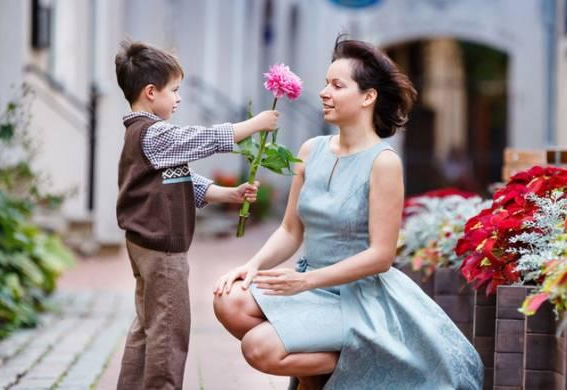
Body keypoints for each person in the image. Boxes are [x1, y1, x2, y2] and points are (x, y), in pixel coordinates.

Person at [212, 35, 484, 390]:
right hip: (310, 285)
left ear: (368, 97)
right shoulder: (311, 150)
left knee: (259, 347)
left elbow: (381, 256)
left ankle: (363, 358)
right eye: (326, 83)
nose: (324, 92)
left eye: (337, 85)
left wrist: (305, 281)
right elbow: (291, 230)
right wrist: (252, 266)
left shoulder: (384, 163)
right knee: (228, 301)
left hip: (359, 298)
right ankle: (326, 377)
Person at [114, 40, 279, 390]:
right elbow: (202, 139)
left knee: (147, 326)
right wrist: (253, 125)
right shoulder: (155, 133)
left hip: (145, 245)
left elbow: (183, 180)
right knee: (169, 330)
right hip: (163, 251)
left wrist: (229, 194)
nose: (178, 98)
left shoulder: (144, 135)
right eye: (174, 90)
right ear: (150, 92)